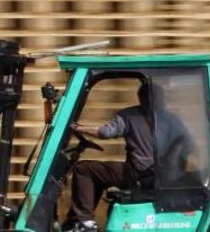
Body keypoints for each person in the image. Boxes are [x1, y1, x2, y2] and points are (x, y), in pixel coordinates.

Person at [62, 83, 155, 232]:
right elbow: (185, 143)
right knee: (99, 174)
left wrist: (79, 128)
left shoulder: (130, 115)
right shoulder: (170, 119)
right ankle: (77, 220)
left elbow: (105, 132)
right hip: (160, 177)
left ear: (141, 98)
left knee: (83, 169)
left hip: (136, 174)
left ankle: (85, 222)